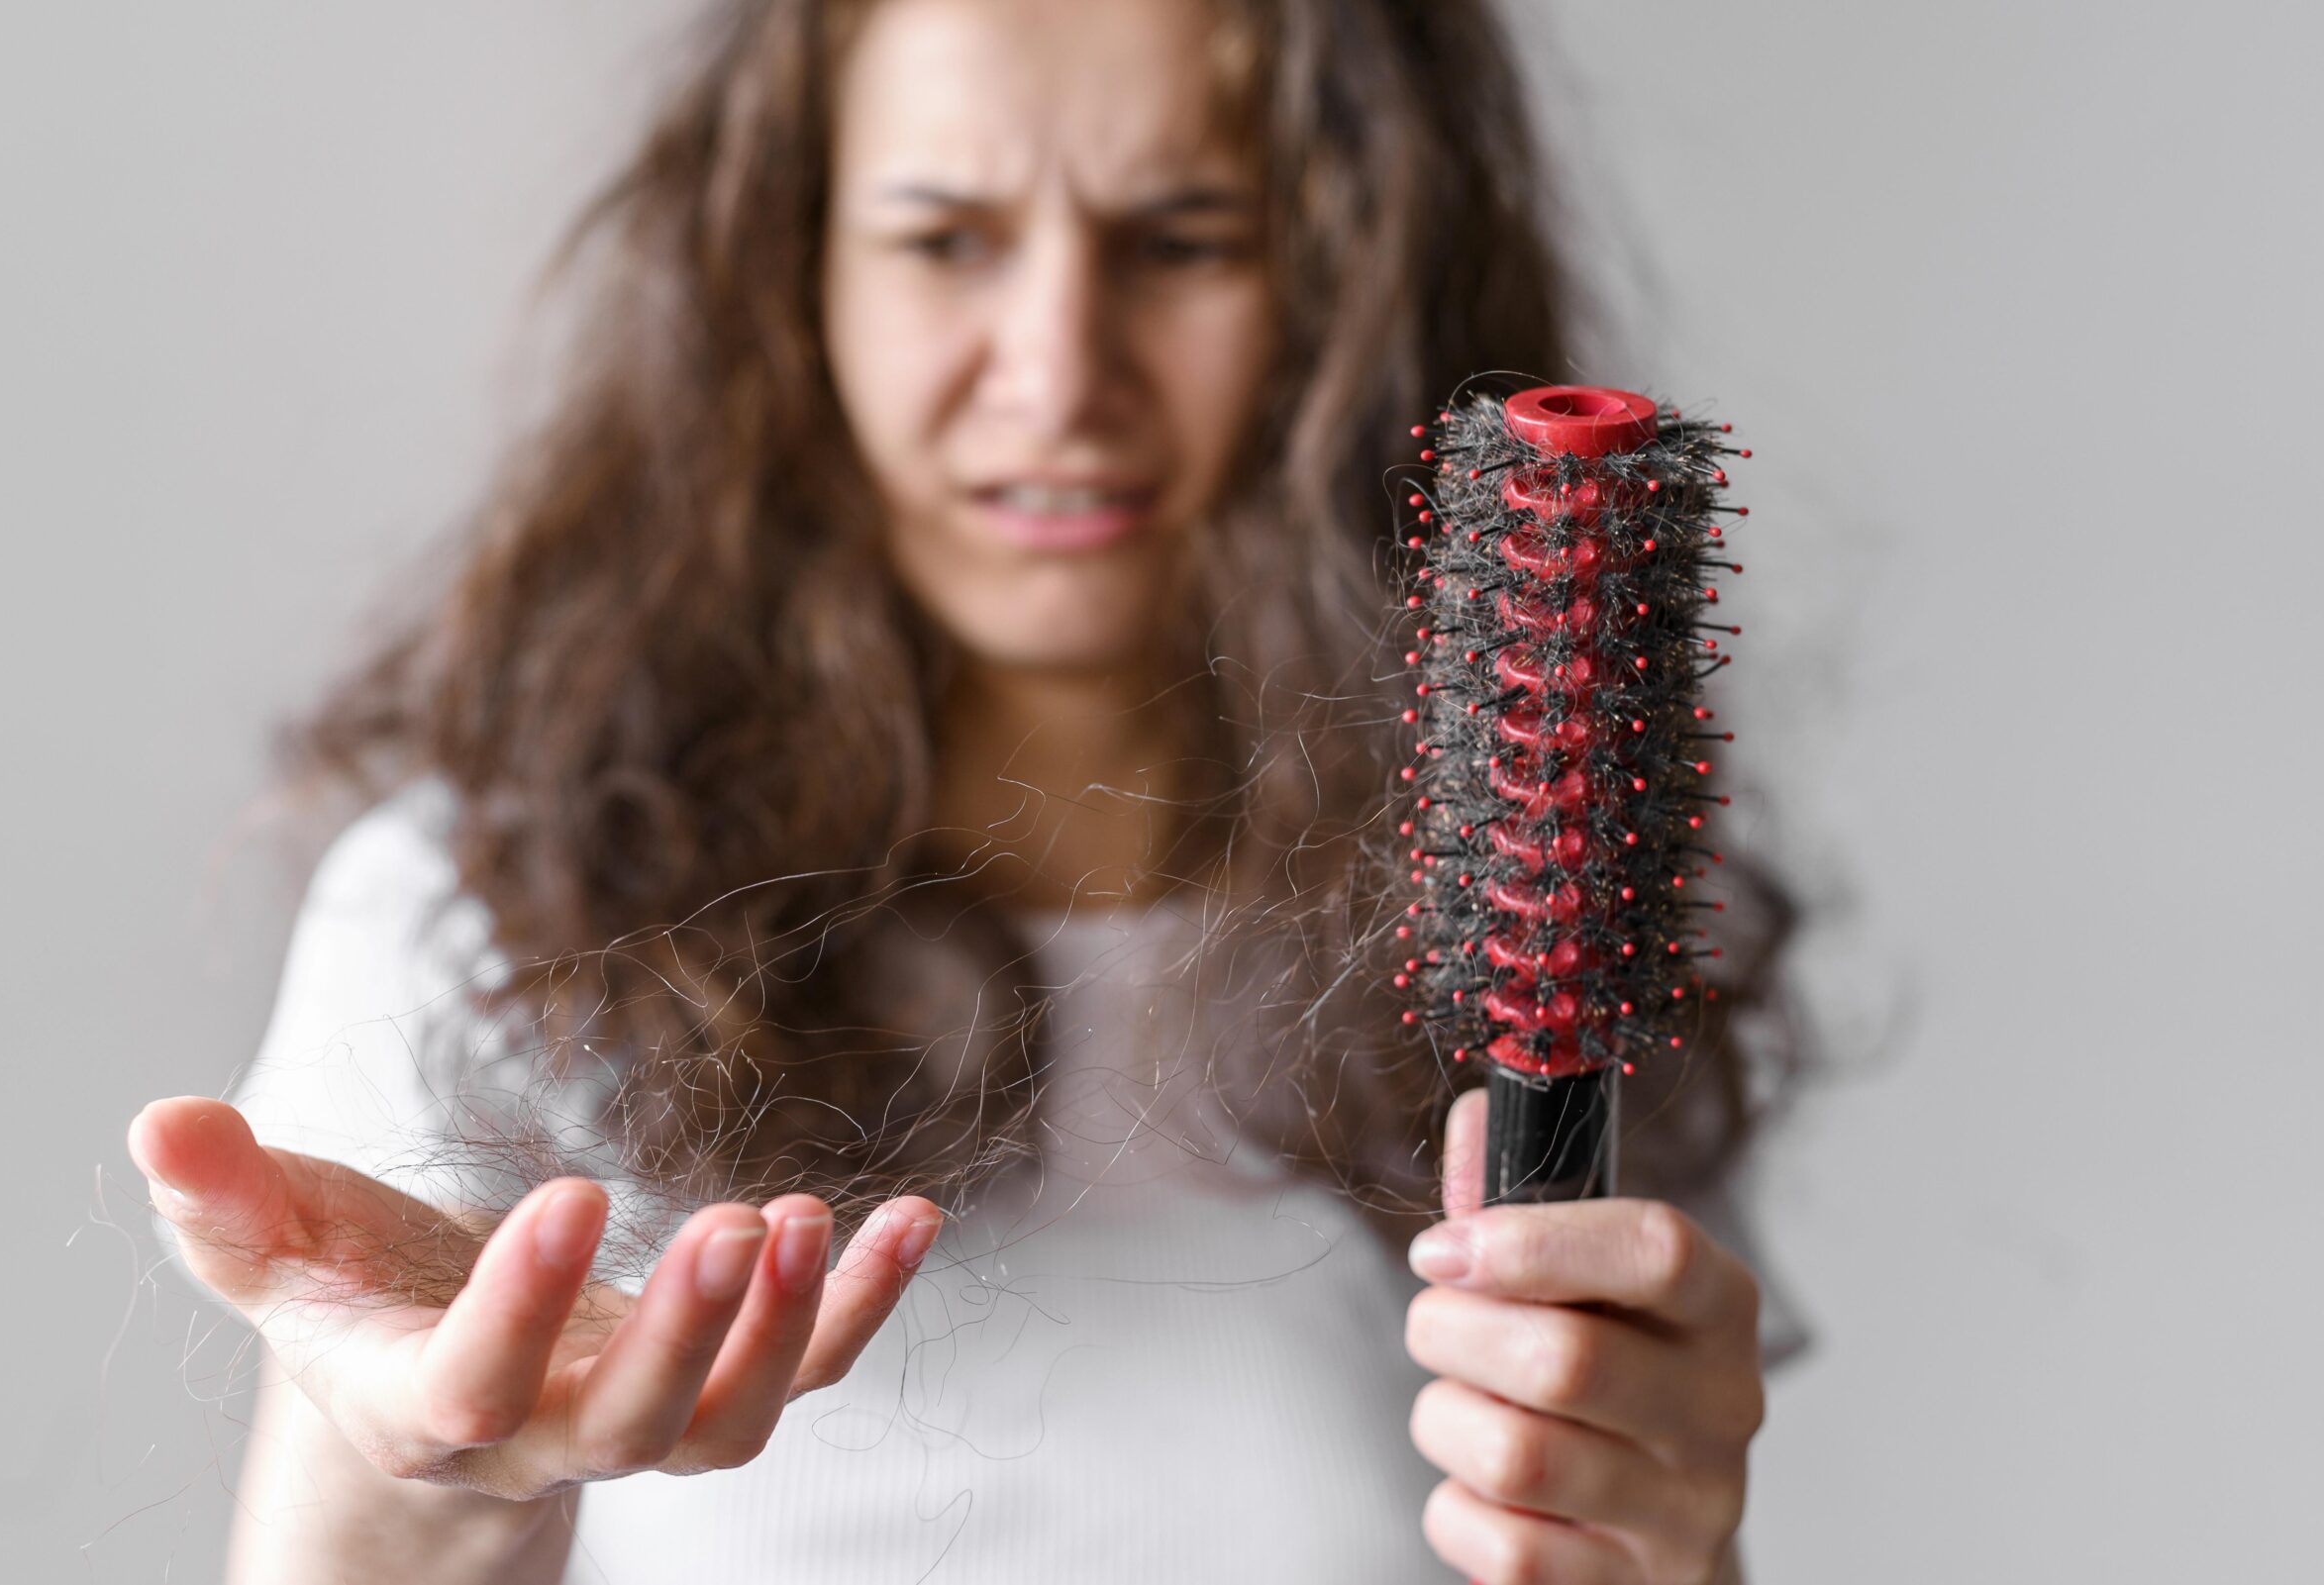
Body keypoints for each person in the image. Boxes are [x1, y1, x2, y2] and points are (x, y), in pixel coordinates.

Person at [129, 0, 1806, 1579]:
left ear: (1354, 278)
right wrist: (413, 1466)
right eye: (945, 241)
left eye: (1181, 241)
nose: (1060, 368)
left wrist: (1669, 1555)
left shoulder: (1552, 927)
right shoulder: (480, 911)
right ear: (795, 277)